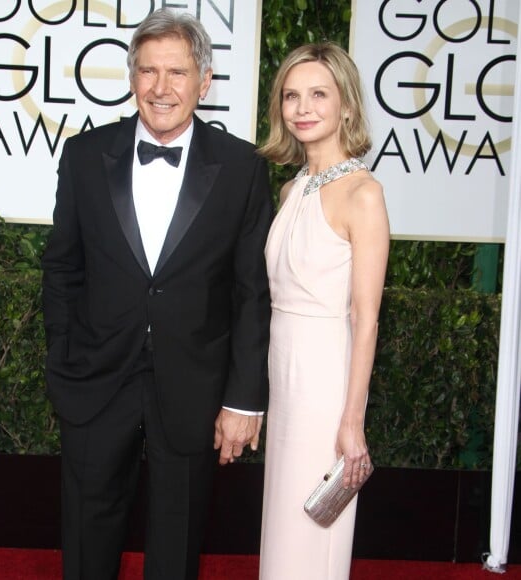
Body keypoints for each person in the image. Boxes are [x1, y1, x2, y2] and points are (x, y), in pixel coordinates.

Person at [41, 9, 273, 580]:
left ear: (204, 82)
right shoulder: (85, 155)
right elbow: (61, 268)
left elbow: (252, 290)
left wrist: (243, 399)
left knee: (179, 537)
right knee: (87, 531)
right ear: (131, 78)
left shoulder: (242, 167)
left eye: (176, 72)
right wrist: (65, 357)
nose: (161, 88)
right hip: (96, 378)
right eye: (147, 71)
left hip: (194, 383)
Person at [258, 42, 389, 580]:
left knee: (315, 529)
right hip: (284, 373)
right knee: (283, 521)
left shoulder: (364, 194)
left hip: (325, 379)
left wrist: (352, 421)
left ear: (347, 106)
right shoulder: (292, 188)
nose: (302, 107)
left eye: (318, 94)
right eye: (291, 95)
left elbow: (366, 318)